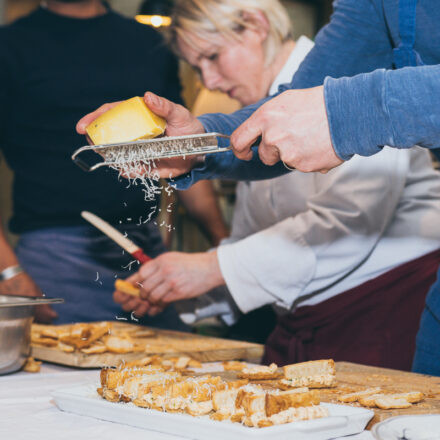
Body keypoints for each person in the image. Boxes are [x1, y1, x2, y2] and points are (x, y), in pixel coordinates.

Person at [77, 0, 440, 374]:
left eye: (213, 57)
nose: (209, 81)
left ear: (255, 25)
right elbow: (256, 236)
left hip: (384, 313)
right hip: (308, 326)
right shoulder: (275, 103)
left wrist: (212, 267)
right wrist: (198, 145)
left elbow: (349, 221)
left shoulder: (338, 92)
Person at [0, 0, 227, 328]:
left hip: (145, 247)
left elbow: (180, 151)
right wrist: (9, 271)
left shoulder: (149, 42)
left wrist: (222, 245)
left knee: (171, 370)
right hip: (56, 256)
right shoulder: (10, 46)